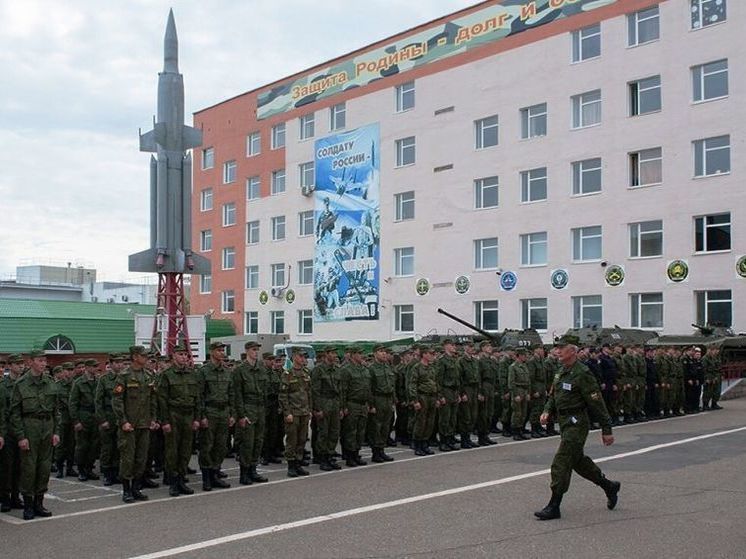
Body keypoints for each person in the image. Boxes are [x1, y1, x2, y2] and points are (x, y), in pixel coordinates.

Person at [535, 342, 620, 521]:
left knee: (562, 461)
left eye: (562, 351)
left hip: (577, 422)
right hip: (564, 421)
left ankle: (554, 505)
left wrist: (607, 429)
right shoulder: (561, 370)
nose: (558, 353)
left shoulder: (583, 373)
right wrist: (547, 410)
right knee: (578, 461)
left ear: (572, 353)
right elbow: (554, 394)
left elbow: (596, 402)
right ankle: (609, 486)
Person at [9, 350, 60, 520]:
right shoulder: (21, 384)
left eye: (44, 361)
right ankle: (28, 505)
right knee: (29, 468)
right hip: (29, 426)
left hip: (47, 425)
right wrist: (21, 436)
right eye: (39, 360)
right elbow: (14, 413)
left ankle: (39, 503)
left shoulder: (50, 382)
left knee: (44, 467)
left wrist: (56, 432)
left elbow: (56, 410)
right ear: (30, 362)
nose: (43, 363)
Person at [113, 346, 159, 503]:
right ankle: (126, 490)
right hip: (129, 425)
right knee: (128, 458)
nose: (146, 358)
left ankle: (136, 488)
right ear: (135, 357)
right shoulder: (124, 376)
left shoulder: (148, 375)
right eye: (143, 356)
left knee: (141, 458)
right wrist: (123, 421)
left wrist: (153, 418)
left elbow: (153, 399)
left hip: (144, 424)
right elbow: (117, 401)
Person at [158, 343, 201, 496]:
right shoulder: (166, 375)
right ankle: (173, 482)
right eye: (181, 355)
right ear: (174, 356)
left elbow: (197, 399)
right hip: (173, 415)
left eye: (186, 355)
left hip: (188, 415)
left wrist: (197, 418)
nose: (184, 357)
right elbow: (162, 400)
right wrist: (165, 421)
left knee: (186, 449)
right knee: (172, 451)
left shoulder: (192, 374)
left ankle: (182, 480)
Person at [197, 341, 234, 491]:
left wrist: (232, 413)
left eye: (222, 351)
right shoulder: (203, 371)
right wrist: (202, 416)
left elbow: (231, 394)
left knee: (220, 446)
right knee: (207, 445)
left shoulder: (227, 372)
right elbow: (199, 395)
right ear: (212, 352)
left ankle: (215, 474)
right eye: (218, 350)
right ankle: (206, 478)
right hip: (210, 412)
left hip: (223, 412)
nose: (221, 353)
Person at [232, 341, 270, 485]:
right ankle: (244, 473)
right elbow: (237, 395)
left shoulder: (261, 369)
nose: (256, 352)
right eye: (254, 350)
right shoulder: (240, 370)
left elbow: (265, 390)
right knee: (247, 443)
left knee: (258, 442)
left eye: (257, 350)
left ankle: (253, 470)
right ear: (247, 351)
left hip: (260, 409)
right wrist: (241, 415)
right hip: (248, 409)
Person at [279, 348, 312, 477]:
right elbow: (283, 396)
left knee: (302, 439)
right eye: (301, 356)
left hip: (304, 411)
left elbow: (309, 393)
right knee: (292, 440)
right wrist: (287, 413)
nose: (304, 359)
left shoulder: (306, 373)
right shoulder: (287, 374)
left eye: (305, 357)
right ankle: (291, 466)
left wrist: (309, 409)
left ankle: (298, 463)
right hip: (293, 412)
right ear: (294, 357)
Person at [311, 348, 343, 471]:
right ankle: (322, 458)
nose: (335, 356)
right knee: (323, 433)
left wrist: (340, 407)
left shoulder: (337, 369)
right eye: (332, 353)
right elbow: (315, 391)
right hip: (324, 402)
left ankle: (330, 456)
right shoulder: (318, 370)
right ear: (326, 355)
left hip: (334, 403)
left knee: (334, 432)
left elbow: (339, 390)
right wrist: (317, 408)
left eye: (335, 353)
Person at [1, 354, 25, 512]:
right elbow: (2, 412)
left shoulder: (25, 384)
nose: (21, 366)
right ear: (10, 366)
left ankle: (16, 496)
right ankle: (5, 498)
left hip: (23, 430)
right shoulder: (3, 386)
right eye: (17, 364)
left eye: (22, 363)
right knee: (6, 467)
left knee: (20, 466)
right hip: (9, 430)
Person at [69, 358, 100, 481]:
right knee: (82, 445)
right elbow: (73, 403)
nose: (95, 369)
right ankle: (81, 470)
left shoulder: (98, 381)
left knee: (94, 445)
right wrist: (76, 421)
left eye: (96, 366)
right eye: (93, 366)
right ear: (87, 368)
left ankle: (89, 468)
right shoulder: (79, 383)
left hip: (95, 416)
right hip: (83, 415)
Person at [95, 354, 123, 486]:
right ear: (110, 364)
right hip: (108, 416)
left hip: (120, 417)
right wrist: (102, 420)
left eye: (120, 362)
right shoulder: (104, 379)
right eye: (116, 362)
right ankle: (107, 474)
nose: (119, 365)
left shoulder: (125, 378)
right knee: (107, 448)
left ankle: (116, 472)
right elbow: (98, 401)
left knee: (119, 447)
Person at [409, 346, 439, 456]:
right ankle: (417, 445)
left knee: (430, 422)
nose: (432, 356)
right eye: (430, 353)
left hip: (431, 396)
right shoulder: (417, 367)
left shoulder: (431, 368)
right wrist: (415, 400)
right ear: (424, 354)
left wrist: (437, 397)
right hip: (422, 396)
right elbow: (412, 384)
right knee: (420, 422)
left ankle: (425, 443)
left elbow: (435, 383)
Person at [367, 345, 396, 462]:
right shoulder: (371, 369)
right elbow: (369, 388)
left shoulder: (388, 367)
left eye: (384, 351)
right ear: (375, 354)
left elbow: (392, 385)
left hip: (388, 399)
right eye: (380, 351)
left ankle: (382, 450)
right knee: (376, 427)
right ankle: (376, 452)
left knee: (386, 426)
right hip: (378, 399)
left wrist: (393, 400)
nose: (384, 354)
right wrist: (372, 405)